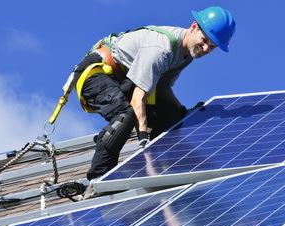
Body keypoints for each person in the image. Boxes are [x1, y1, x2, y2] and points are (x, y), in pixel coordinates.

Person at [69, 6, 236, 182]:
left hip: (125, 81)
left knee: (173, 117)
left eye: (211, 46)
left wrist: (183, 112)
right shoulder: (162, 48)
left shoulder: (186, 55)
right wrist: (143, 138)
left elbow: (162, 88)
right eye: (204, 40)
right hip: (96, 73)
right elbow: (137, 99)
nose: (205, 48)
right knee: (124, 117)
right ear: (194, 26)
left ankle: (166, 168)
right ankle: (99, 178)